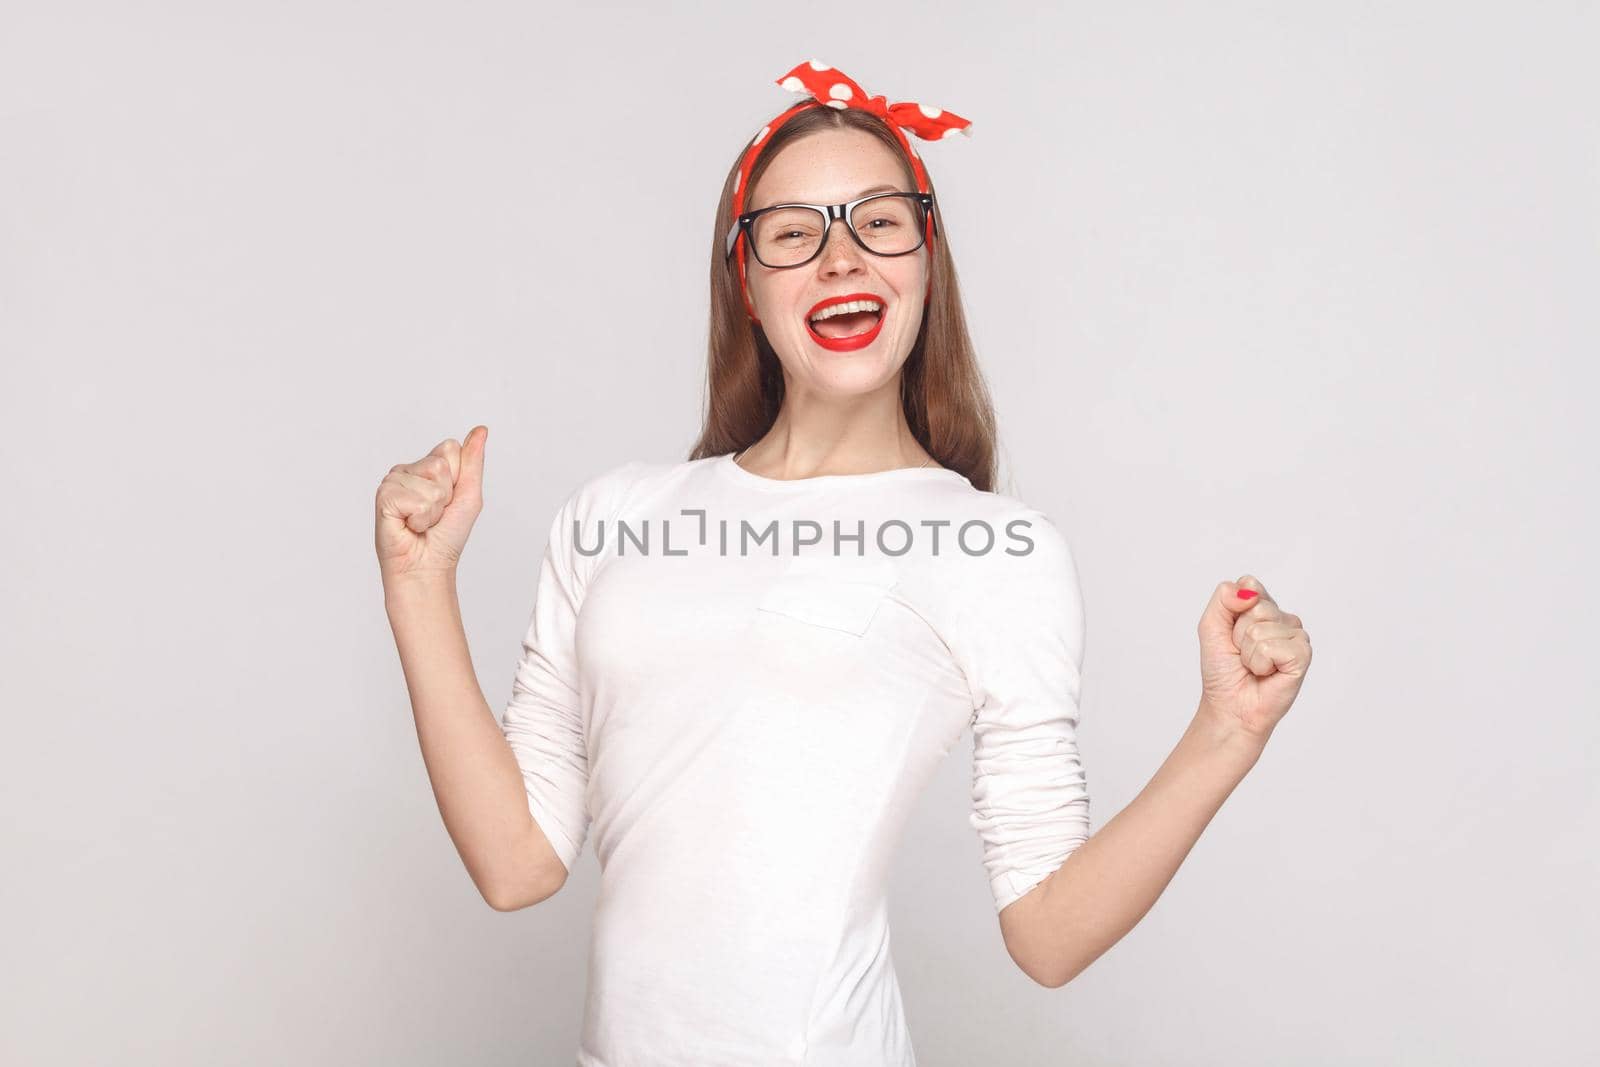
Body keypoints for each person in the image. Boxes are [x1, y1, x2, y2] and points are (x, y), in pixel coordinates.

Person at [374, 60, 1313, 1067]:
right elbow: (516, 861)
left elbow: (1048, 932)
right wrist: (419, 583)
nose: (840, 258)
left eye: (877, 221)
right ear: (746, 282)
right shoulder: (618, 516)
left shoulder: (991, 547)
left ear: (924, 257)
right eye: (793, 233)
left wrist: (1227, 729)